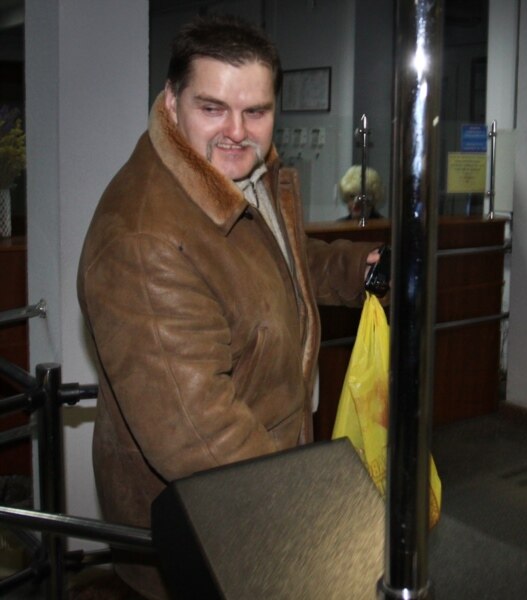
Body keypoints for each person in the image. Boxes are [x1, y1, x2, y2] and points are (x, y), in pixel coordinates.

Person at [77, 15, 381, 599]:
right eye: (213, 108)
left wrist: (354, 268)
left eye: (256, 111)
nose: (237, 131)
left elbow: (276, 261)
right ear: (172, 103)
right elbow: (200, 436)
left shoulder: (235, 177)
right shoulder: (144, 240)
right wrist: (310, 512)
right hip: (208, 527)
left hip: (256, 493)